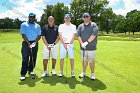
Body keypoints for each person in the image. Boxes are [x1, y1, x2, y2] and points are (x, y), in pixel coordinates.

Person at [20, 13, 41, 81]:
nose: (32, 18)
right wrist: (29, 43)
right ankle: (23, 74)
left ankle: (31, 70)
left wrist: (35, 42)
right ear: (29, 17)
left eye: (33, 17)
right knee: (25, 58)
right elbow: (23, 35)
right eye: (31, 17)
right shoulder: (24, 24)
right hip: (26, 43)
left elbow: (39, 35)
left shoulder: (37, 26)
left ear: (34, 17)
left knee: (33, 58)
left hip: (35, 43)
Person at [77, 13, 98, 80]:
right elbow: (78, 35)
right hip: (83, 48)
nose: (85, 18)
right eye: (84, 17)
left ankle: (92, 73)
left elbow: (94, 34)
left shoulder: (93, 25)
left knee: (91, 61)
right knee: (84, 61)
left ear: (89, 17)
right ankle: (83, 72)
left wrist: (86, 42)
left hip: (91, 48)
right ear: (83, 18)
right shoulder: (80, 26)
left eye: (87, 16)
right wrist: (82, 43)